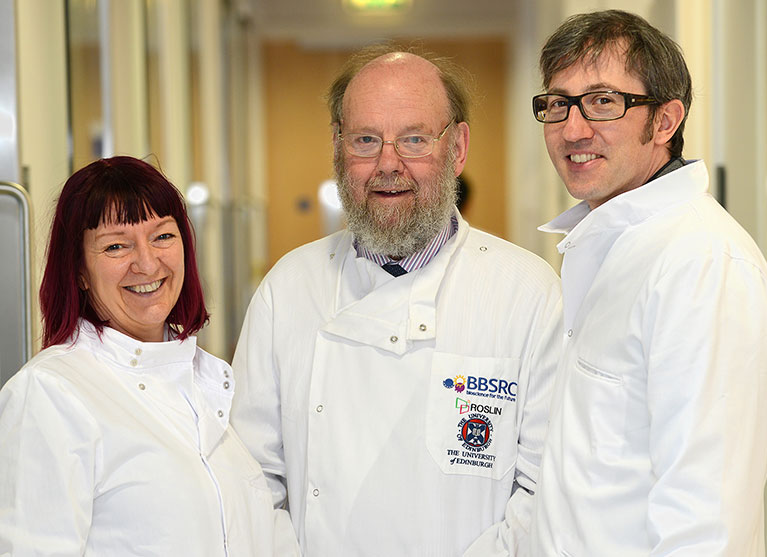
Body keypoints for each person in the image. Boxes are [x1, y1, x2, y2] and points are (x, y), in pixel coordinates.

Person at [230, 45, 562, 556]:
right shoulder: (287, 289)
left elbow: (545, 489)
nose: (389, 164)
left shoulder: (528, 293)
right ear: (338, 149)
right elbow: (251, 480)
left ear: (458, 148)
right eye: (366, 140)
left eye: (414, 139)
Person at [530, 10, 767, 556]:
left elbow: (705, 520)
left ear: (665, 122)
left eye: (602, 101)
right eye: (557, 104)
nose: (573, 129)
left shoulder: (701, 263)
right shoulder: (614, 247)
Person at [0, 156, 299, 556]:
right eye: (116, 246)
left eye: (162, 236)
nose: (147, 262)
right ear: (80, 272)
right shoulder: (50, 394)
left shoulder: (205, 381)